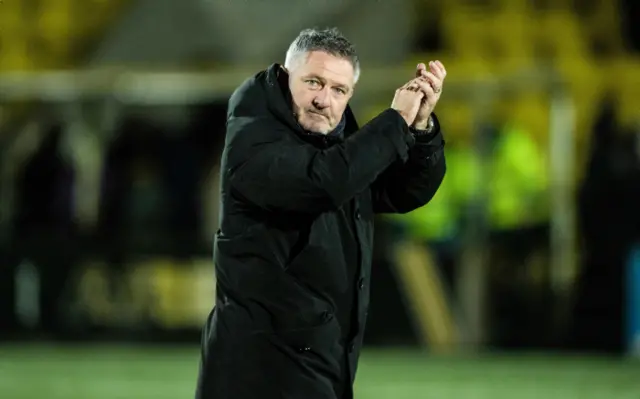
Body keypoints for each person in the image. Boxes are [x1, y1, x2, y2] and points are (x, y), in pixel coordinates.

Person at [196, 27, 447, 399]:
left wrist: (421, 127)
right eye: (313, 82)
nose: (323, 100)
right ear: (285, 76)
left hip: (322, 358)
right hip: (261, 366)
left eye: (339, 90)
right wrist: (393, 121)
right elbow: (320, 183)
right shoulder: (254, 138)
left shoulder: (339, 141)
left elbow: (402, 191)